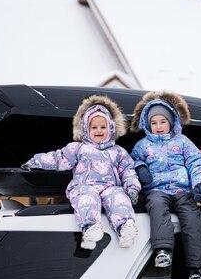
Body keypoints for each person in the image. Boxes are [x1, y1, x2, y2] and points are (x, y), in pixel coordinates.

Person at [22, 95, 140, 250]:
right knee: (86, 198)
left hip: (109, 187)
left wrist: (132, 187)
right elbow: (58, 158)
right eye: (94, 127)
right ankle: (91, 228)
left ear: (111, 128)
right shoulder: (78, 148)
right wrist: (36, 160)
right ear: (86, 129)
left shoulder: (118, 152)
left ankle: (126, 228)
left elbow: (128, 170)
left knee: (118, 197)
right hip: (85, 185)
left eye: (103, 127)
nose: (99, 130)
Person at [130, 91, 201, 279]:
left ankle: (197, 267)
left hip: (183, 189)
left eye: (162, 122)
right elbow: (132, 160)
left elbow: (196, 161)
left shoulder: (182, 142)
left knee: (193, 219)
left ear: (172, 122)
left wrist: (200, 183)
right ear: (148, 125)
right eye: (154, 123)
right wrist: (140, 168)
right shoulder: (143, 145)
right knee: (157, 209)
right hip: (156, 189)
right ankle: (163, 250)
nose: (158, 127)